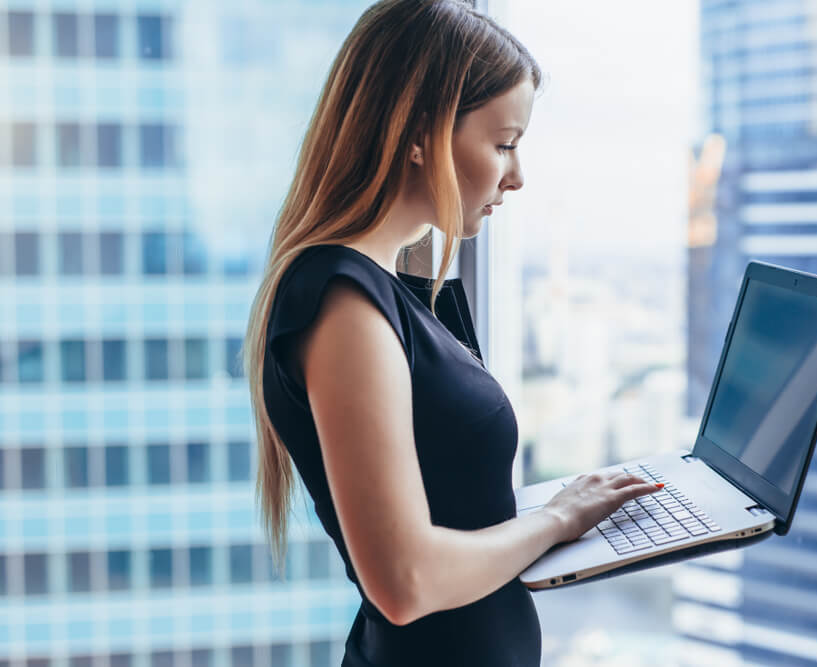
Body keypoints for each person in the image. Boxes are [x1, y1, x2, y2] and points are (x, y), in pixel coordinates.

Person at [243, 1, 662, 664]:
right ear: (420, 135)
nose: (516, 176)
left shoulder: (390, 286)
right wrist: (557, 519)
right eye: (502, 145)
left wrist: (562, 511)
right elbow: (406, 581)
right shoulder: (344, 306)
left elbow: (450, 499)